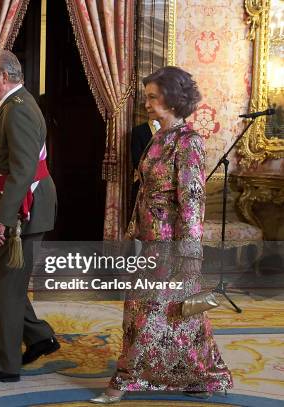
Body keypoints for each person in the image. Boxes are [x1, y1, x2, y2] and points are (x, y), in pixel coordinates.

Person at [90, 66, 233, 404]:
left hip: (171, 245)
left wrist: (190, 252)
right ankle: (203, 375)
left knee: (149, 314)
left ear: (172, 99)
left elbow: (193, 201)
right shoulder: (160, 136)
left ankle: (121, 382)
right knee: (176, 316)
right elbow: (144, 194)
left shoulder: (188, 142)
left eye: (153, 97)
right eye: (148, 97)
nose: (147, 103)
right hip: (150, 241)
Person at [0, 50, 59, 383]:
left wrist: (2, 218)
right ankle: (38, 336)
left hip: (21, 207)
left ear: (4, 77)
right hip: (6, 200)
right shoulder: (8, 106)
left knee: (5, 284)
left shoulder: (18, 110)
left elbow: (22, 171)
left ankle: (5, 363)